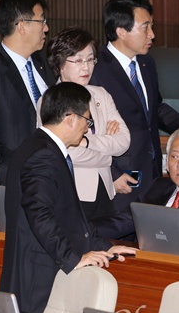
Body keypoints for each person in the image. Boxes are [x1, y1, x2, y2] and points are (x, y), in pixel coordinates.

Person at [0, 82, 136, 313]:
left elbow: (69, 215)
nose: (88, 128)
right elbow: (39, 213)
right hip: (37, 280)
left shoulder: (41, 146)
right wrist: (72, 258)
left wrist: (106, 248)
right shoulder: (44, 155)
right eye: (88, 121)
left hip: (38, 274)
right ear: (71, 119)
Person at [90, 0, 179, 212]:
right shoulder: (97, 69)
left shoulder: (146, 63)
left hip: (152, 174)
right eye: (145, 27)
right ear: (121, 31)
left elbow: (153, 108)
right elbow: (89, 131)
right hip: (121, 178)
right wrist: (113, 175)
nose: (152, 35)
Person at [38, 27, 131, 219]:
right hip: (72, 193)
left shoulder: (101, 94)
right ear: (60, 63)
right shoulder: (49, 100)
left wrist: (89, 141)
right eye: (78, 60)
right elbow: (68, 153)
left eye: (90, 59)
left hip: (105, 191)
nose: (86, 67)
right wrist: (108, 155)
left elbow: (123, 141)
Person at [0, 0, 55, 183]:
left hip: (51, 170)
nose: (46, 28)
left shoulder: (43, 63)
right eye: (42, 21)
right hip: (15, 177)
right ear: (22, 26)